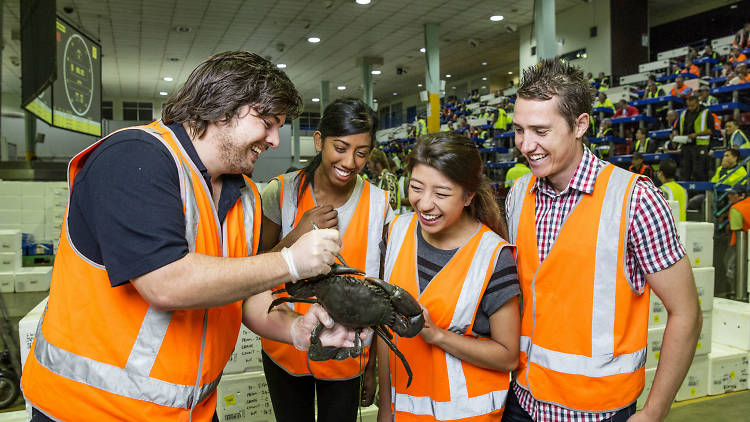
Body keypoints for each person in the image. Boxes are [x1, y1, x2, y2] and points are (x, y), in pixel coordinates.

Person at [20, 51, 362, 422]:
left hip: (187, 409)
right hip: (94, 410)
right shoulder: (135, 157)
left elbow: (242, 296)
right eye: (266, 122)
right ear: (221, 108)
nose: (276, 140)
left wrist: (296, 329)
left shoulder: (244, 194)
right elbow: (164, 283)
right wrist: (289, 261)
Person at [504, 58, 701, 422]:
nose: (526, 145)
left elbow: (686, 312)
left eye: (541, 131)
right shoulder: (519, 194)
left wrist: (654, 412)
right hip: (523, 400)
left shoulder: (635, 200)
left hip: (599, 411)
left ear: (580, 125)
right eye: (519, 130)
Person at [259, 98, 394, 422]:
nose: (350, 161)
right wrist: (297, 235)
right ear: (319, 141)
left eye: (362, 152)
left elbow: (383, 293)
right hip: (285, 349)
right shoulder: (281, 193)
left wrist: (373, 367)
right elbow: (256, 270)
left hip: (348, 353)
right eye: (341, 147)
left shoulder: (380, 205)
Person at [377, 133, 520, 421]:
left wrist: (438, 336)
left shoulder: (492, 255)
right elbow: (386, 330)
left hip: (468, 414)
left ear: (468, 196)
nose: (425, 203)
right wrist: (386, 406)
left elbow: (508, 355)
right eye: (416, 187)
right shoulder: (396, 232)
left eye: (441, 194)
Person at [673, 95, 712, 181]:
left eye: (692, 106)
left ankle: (701, 193)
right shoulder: (683, 114)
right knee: (685, 171)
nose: (690, 108)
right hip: (686, 145)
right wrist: (675, 134)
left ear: (697, 103)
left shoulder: (706, 112)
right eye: (688, 106)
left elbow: (710, 130)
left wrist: (696, 134)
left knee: (699, 171)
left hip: (700, 145)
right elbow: (676, 128)